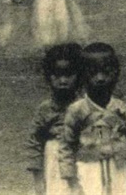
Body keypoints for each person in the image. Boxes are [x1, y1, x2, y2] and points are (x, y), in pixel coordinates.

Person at [60, 42, 126, 195]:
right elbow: (67, 146)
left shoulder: (120, 109)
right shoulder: (77, 110)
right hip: (88, 171)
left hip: (117, 169)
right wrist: (71, 181)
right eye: (92, 72)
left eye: (106, 72)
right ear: (82, 75)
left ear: (115, 73)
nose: (100, 78)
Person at [27, 42, 83, 195]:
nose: (63, 80)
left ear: (79, 76)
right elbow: (35, 142)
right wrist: (37, 180)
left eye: (68, 75)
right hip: (54, 161)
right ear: (48, 77)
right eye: (57, 75)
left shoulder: (85, 107)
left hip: (81, 160)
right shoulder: (45, 109)